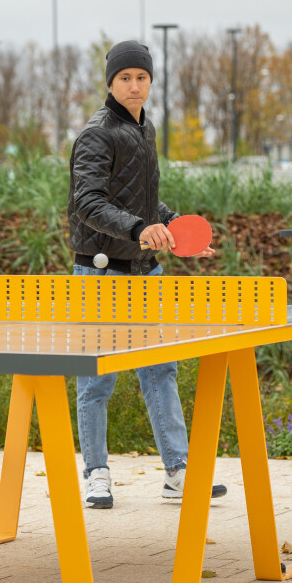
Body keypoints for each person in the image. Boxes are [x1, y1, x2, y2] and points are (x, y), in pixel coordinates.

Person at [68, 40, 228, 510]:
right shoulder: (97, 134)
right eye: (125, 78)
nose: (134, 85)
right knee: (97, 379)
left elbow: (141, 202)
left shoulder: (145, 129)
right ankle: (96, 473)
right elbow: (89, 203)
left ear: (151, 82)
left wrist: (174, 228)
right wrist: (141, 229)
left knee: (160, 368)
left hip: (145, 271)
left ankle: (179, 471)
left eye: (141, 77)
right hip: (100, 272)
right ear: (111, 83)